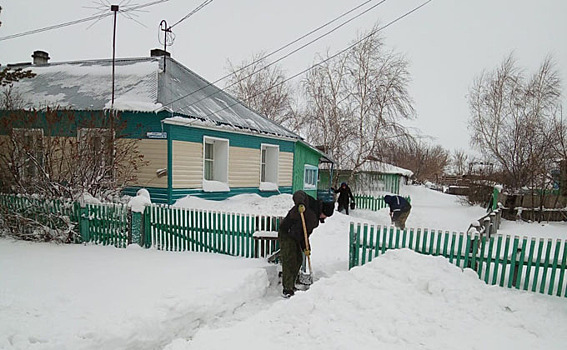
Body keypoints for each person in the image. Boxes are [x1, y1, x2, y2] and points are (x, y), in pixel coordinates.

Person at [278, 190, 334, 298]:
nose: (325, 218)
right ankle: (287, 289)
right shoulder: (311, 203)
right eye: (325, 215)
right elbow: (299, 193)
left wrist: (306, 247)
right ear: (323, 210)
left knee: (298, 260)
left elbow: (305, 234)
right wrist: (300, 204)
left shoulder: (315, 221)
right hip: (287, 232)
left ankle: (291, 284)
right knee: (290, 259)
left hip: (296, 237)